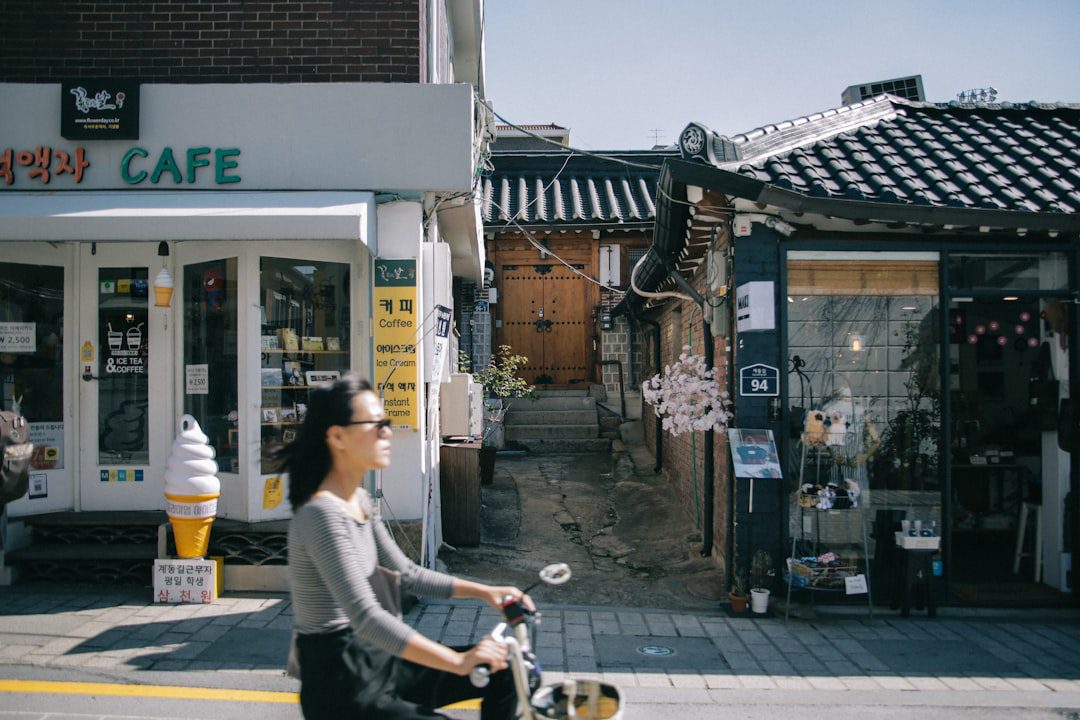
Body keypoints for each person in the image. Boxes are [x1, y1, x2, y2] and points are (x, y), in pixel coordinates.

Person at [281, 373, 527, 719]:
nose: (386, 432)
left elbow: (408, 574)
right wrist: (459, 662)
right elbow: (366, 617)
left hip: (380, 661)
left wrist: (488, 593)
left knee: (506, 668)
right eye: (375, 424)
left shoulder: (361, 501)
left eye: (387, 422)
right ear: (337, 436)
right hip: (342, 683)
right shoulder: (321, 515)